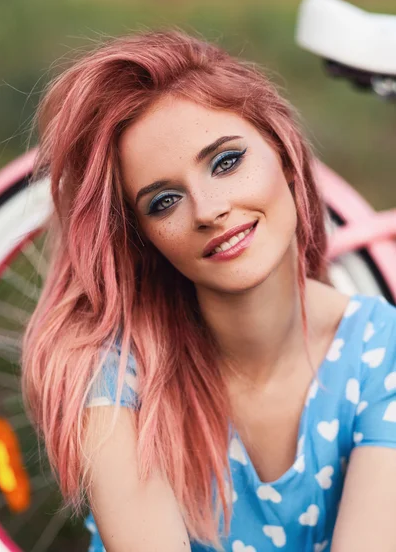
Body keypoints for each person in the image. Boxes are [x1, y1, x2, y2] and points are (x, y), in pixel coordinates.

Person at [20, 29, 396, 552]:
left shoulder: (382, 350)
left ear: (285, 156)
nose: (208, 209)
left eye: (226, 162)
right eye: (164, 201)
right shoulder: (118, 368)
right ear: (143, 239)